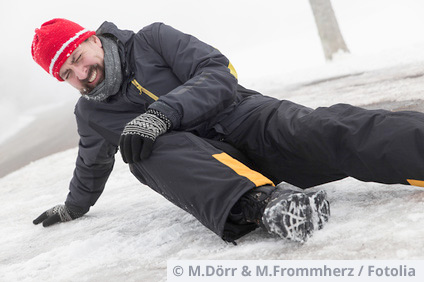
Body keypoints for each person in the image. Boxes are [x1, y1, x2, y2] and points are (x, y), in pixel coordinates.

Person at [31, 18, 423, 244]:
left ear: (91, 40)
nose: (81, 74)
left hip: (248, 118)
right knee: (141, 150)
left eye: (79, 58)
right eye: (67, 74)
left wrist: (163, 111)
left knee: (332, 128)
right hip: (209, 175)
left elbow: (219, 73)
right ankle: (267, 208)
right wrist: (73, 206)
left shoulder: (152, 39)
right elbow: (91, 164)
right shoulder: (91, 115)